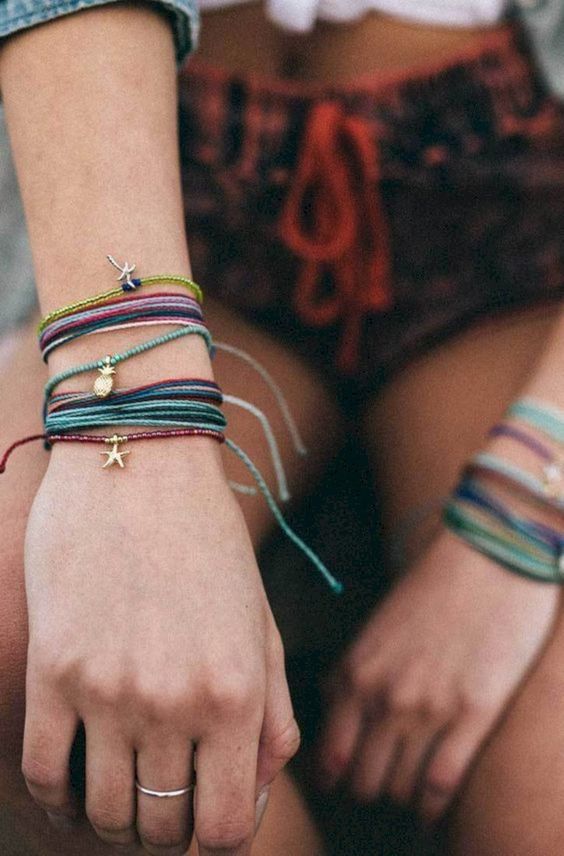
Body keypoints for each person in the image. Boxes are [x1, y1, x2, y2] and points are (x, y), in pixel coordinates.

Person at [0, 2, 563, 855]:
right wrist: (133, 424)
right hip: (151, 181)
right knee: (28, 639)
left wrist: (525, 506)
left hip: (516, 215)